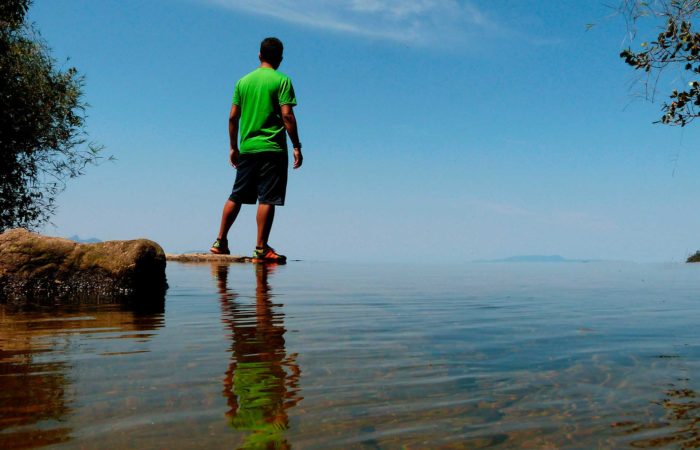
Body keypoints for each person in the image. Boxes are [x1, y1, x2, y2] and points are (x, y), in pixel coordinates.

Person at [210, 37, 302, 262]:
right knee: (268, 198)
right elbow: (287, 115)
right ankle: (261, 248)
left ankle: (220, 241)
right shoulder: (282, 80)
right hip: (272, 148)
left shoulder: (243, 82)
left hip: (248, 148)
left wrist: (233, 147)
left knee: (237, 195)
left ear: (259, 55)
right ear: (280, 59)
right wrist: (297, 146)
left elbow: (233, 117)